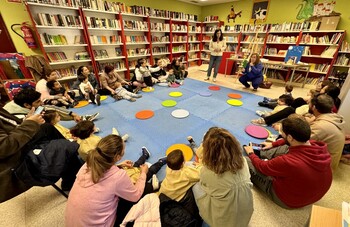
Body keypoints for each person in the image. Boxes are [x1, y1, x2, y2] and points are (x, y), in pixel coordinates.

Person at [243, 117, 332, 208]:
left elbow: (262, 167)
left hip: (288, 200)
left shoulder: (289, 161)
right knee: (286, 146)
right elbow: (286, 142)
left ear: (290, 137)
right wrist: (273, 144)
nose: (282, 136)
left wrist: (251, 153)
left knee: (245, 161)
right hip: (311, 194)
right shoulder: (315, 145)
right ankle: (263, 153)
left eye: (283, 134)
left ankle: (257, 155)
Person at [0, 106, 82, 202]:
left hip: (18, 149)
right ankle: (75, 175)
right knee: (64, 146)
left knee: (47, 127)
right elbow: (4, 147)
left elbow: (10, 130)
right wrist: (30, 124)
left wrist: (26, 121)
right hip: (14, 164)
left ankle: (71, 174)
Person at [65, 135, 148, 226]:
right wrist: (143, 173)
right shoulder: (118, 176)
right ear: (118, 157)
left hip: (72, 222)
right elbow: (135, 196)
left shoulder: (87, 164)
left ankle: (144, 158)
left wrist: (118, 166)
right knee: (145, 188)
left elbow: (101, 174)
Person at [192, 127, 253, 227]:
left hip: (222, 222)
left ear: (208, 151)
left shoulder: (207, 172)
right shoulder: (243, 161)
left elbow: (204, 186)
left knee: (196, 186)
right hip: (246, 216)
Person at [4, 88, 99, 122]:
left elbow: (50, 107)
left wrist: (72, 114)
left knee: (48, 110)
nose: (40, 103)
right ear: (26, 105)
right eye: (38, 101)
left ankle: (80, 118)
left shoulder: (26, 104)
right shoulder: (14, 115)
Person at [308, 94, 345, 171]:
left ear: (314, 107)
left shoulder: (320, 126)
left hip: (322, 167)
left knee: (283, 150)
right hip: (330, 161)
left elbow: (300, 140)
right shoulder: (335, 117)